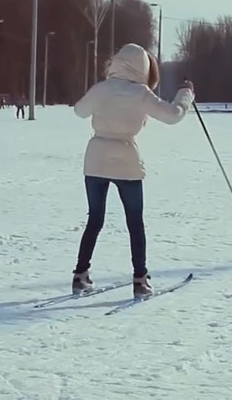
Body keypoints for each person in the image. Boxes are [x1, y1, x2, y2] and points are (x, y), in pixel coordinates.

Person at [71, 43, 195, 299]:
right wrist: (186, 94)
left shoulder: (101, 89)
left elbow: (79, 111)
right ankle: (140, 280)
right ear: (144, 67)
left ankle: (80, 275)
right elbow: (172, 116)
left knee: (95, 219)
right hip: (127, 160)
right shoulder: (141, 93)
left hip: (96, 159)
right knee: (135, 223)